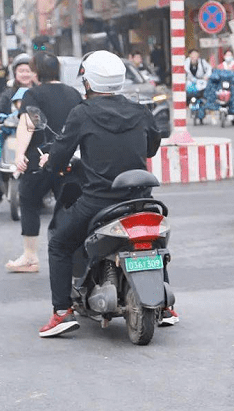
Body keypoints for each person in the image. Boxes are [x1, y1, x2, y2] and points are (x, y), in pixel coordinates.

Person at [37, 50, 163, 337]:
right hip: (141, 200)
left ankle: (62, 311)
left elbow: (59, 158)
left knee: (59, 243)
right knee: (154, 243)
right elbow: (151, 147)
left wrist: (50, 164)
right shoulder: (140, 110)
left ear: (88, 82)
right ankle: (166, 307)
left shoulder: (82, 113)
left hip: (99, 202)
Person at [4, 52, 83, 273]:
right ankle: (77, 254)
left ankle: (30, 257)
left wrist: (19, 155)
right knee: (69, 207)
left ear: (37, 72)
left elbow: (27, 124)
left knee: (28, 201)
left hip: (39, 161)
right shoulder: (74, 93)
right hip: (68, 159)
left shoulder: (33, 94)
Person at [0, 88, 27, 216]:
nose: (21, 104)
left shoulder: (34, 115)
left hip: (31, 147)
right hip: (13, 148)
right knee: (0, 166)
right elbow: (0, 116)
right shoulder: (12, 113)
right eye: (18, 102)